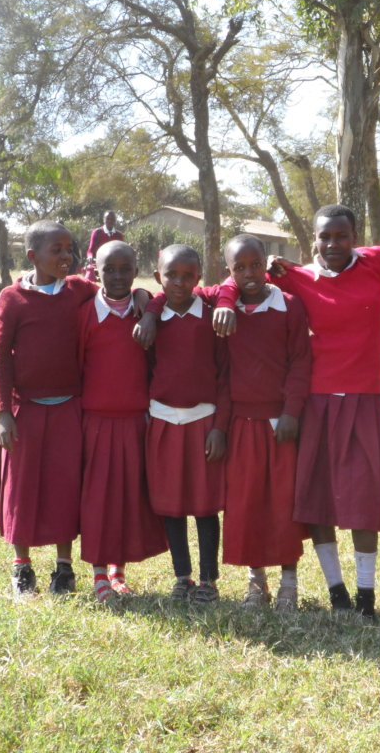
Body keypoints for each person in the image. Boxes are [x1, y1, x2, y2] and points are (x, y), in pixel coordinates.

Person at [206, 205, 380, 620]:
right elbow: (241, 279)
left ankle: (365, 595)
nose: (332, 245)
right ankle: (337, 591)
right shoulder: (298, 276)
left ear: (355, 236)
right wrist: (228, 302)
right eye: (324, 237)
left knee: (365, 500)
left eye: (341, 236)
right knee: (317, 500)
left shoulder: (377, 262)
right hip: (317, 402)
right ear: (314, 241)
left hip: (365, 401)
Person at [0, 220, 101, 598]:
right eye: (56, 250)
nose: (66, 256)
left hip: (70, 406)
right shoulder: (12, 298)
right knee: (22, 489)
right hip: (26, 410)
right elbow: (1, 356)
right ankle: (22, 569)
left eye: (69, 249)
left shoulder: (79, 290)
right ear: (32, 256)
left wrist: (141, 301)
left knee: (64, 486)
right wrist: (3, 412)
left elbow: (114, 295)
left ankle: (64, 569)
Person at [218, 234, 312, 611]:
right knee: (246, 505)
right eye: (239, 268)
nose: (249, 273)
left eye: (255, 265)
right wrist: (220, 427)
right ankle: (256, 582)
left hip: (280, 423)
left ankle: (289, 583)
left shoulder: (288, 305)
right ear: (230, 272)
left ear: (266, 264)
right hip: (242, 423)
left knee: (283, 504)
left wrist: (291, 411)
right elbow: (222, 375)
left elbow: (301, 362)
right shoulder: (225, 311)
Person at [78, 241, 167, 605]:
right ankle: (99, 574)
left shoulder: (146, 310)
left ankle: (119, 570)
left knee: (129, 497)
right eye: (108, 269)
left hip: (136, 421)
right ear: (95, 270)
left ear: (136, 270)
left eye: (125, 269)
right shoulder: (83, 315)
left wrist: (148, 307)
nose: (117, 276)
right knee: (99, 499)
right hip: (96, 422)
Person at [146, 244, 229, 604]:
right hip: (163, 420)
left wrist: (219, 427)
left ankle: (208, 581)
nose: (179, 282)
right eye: (171, 275)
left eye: (188, 276)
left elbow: (226, 377)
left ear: (199, 278)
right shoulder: (150, 318)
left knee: (205, 504)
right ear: (157, 278)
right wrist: (150, 311)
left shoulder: (212, 317)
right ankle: (183, 576)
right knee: (171, 504)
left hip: (203, 420)